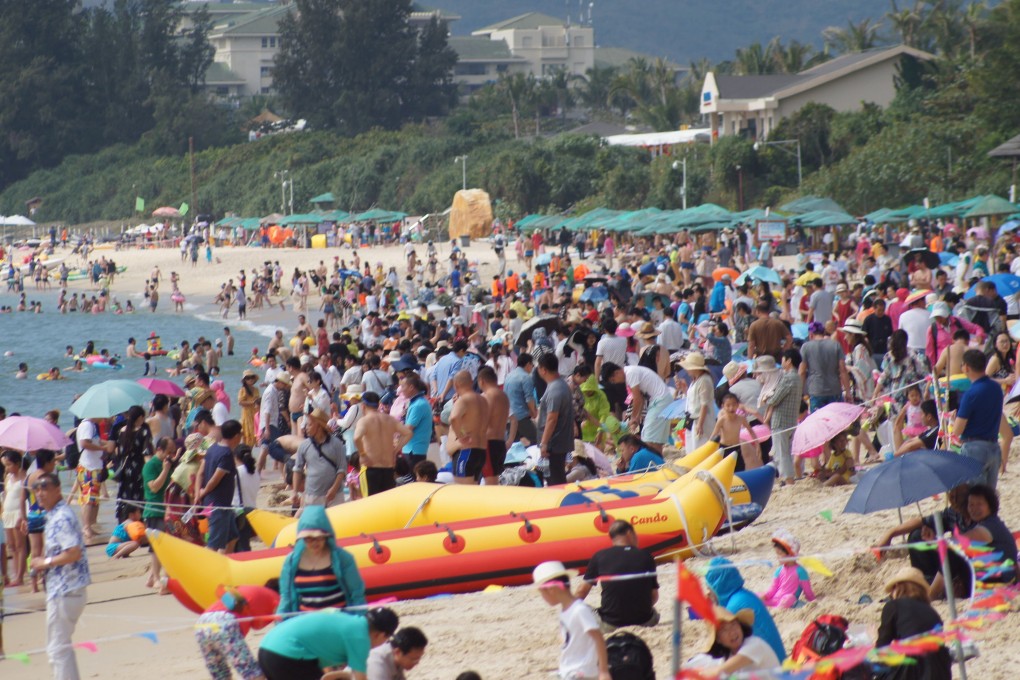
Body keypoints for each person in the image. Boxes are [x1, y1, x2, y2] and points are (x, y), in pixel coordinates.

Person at [29, 472, 91, 680]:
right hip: (68, 589)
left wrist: (45, 562)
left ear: (57, 489)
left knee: (57, 649)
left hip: (66, 590)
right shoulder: (55, 514)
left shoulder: (61, 517)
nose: (40, 492)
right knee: (61, 647)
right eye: (36, 488)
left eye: (44, 487)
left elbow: (73, 551)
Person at [258, 607, 399, 680]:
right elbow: (360, 677)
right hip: (287, 654)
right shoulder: (361, 636)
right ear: (380, 635)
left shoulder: (349, 621)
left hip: (267, 647)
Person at [277, 504, 366, 613]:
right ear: (301, 538)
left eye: (319, 537)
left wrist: (359, 619)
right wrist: (281, 621)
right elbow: (286, 597)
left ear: (326, 536)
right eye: (309, 538)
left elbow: (356, 593)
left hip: (339, 621)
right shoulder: (291, 562)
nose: (314, 542)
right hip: (306, 623)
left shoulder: (343, 558)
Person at [532, 561, 612, 680]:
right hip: (569, 670)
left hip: (581, 672)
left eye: (542, 593)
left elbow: (598, 638)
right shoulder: (565, 610)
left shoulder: (579, 610)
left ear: (551, 589)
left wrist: (603, 671)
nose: (543, 598)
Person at [575, 520, 659, 631]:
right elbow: (654, 596)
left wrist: (569, 612)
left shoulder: (599, 556)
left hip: (610, 623)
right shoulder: (646, 556)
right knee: (654, 613)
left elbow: (581, 590)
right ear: (629, 533)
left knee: (581, 609)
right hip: (646, 620)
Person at [704, 556, 786, 661]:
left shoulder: (734, 606)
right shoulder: (743, 595)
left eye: (710, 588)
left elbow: (727, 645)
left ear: (718, 587)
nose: (708, 593)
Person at [876, 568, 951, 680]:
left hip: (913, 668)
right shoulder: (931, 611)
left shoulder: (894, 606)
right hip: (941, 668)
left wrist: (874, 637)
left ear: (897, 586)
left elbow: (882, 648)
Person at [195, 585, 279, 680]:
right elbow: (275, 625)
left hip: (202, 622)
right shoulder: (276, 597)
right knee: (252, 673)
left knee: (220, 673)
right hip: (224, 622)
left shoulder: (244, 588)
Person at [953, 349, 1004, 489]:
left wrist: (952, 421)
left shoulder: (970, 393)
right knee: (989, 500)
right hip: (993, 446)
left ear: (967, 367)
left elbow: (957, 430)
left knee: (975, 496)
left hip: (974, 448)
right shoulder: (996, 388)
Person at [687, 606, 780, 674]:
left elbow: (719, 672)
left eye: (734, 625)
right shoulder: (730, 655)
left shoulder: (754, 644)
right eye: (724, 630)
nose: (732, 632)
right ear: (718, 639)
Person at [197, 420, 243, 554]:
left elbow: (200, 473)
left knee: (233, 538)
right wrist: (203, 492)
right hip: (218, 505)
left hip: (220, 504)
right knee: (213, 544)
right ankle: (207, 571)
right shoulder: (227, 454)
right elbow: (215, 479)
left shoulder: (212, 448)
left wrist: (198, 493)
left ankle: (224, 566)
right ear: (235, 436)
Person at [353, 392, 412, 496]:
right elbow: (408, 433)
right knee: (386, 504)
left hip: (370, 467)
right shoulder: (390, 419)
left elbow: (357, 437)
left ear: (363, 406)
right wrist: (395, 451)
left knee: (370, 504)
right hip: (388, 468)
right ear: (378, 404)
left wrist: (362, 454)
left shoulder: (364, 421)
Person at [294, 408, 347, 513]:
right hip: (312, 495)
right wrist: (294, 492)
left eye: (309, 425)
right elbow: (297, 469)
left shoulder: (336, 444)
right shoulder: (304, 445)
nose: (305, 428)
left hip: (335, 495)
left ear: (318, 425)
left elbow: (342, 469)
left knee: (336, 526)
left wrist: (334, 489)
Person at [537, 353, 576, 485]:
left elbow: (552, 419)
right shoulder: (561, 385)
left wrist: (544, 443)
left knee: (555, 479)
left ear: (543, 370)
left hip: (554, 443)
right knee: (556, 477)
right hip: (560, 442)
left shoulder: (555, 389)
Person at [75, 415, 115, 541]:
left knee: (93, 499)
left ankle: (90, 526)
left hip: (93, 466)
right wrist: (102, 448)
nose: (103, 418)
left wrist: (107, 443)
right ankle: (86, 527)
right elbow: (84, 443)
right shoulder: (87, 425)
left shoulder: (92, 426)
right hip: (89, 467)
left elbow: (95, 441)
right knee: (89, 498)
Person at [449, 370, 490, 484]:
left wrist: (461, 436)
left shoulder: (463, 400)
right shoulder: (483, 400)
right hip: (481, 450)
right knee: (473, 492)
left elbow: (453, 418)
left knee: (463, 494)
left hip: (466, 451)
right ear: (472, 382)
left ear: (455, 385)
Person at [799, 321, 851, 411]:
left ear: (811, 334)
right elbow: (843, 370)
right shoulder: (835, 345)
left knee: (818, 422)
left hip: (816, 391)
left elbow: (802, 372)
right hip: (835, 389)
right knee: (835, 420)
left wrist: (800, 393)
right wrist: (848, 392)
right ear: (823, 333)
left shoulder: (806, 347)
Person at [760, 529, 815, 609]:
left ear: (790, 555)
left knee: (789, 598)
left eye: (780, 554)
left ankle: (779, 609)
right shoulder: (778, 570)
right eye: (777, 554)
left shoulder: (800, 571)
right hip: (775, 601)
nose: (777, 557)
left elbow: (808, 592)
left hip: (788, 601)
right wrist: (763, 597)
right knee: (757, 596)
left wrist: (813, 601)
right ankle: (775, 607)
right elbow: (772, 590)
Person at [710, 392, 760, 471]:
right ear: (723, 406)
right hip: (724, 448)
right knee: (726, 470)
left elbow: (751, 431)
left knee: (740, 468)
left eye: (734, 405)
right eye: (728, 405)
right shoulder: (722, 420)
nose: (731, 408)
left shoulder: (741, 418)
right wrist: (710, 450)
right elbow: (713, 435)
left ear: (737, 405)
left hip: (737, 447)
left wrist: (757, 445)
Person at [478, 366, 510, 485]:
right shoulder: (504, 396)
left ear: (482, 381)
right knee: (495, 479)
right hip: (500, 441)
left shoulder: (486, 396)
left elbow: (483, 421)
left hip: (488, 443)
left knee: (490, 482)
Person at [681, 352, 717, 452]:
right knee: (691, 448)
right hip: (692, 418)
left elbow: (704, 404)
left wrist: (700, 424)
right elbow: (693, 399)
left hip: (701, 420)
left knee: (700, 448)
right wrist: (684, 389)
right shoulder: (695, 380)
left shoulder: (704, 380)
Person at [399, 373, 432, 470]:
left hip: (414, 451)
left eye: (403, 386)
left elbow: (408, 429)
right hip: (412, 449)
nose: (401, 389)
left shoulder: (418, 404)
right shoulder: (416, 402)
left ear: (411, 387)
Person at [505, 352, 539, 444]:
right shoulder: (525, 377)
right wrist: (533, 412)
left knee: (513, 445)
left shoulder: (509, 376)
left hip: (509, 416)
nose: (532, 367)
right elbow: (529, 399)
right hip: (520, 416)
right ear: (528, 364)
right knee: (537, 439)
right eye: (532, 365)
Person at [238, 370, 261, 448]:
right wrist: (252, 402)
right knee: (248, 438)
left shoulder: (256, 389)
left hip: (255, 414)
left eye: (252, 377)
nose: (250, 379)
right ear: (245, 380)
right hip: (247, 415)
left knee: (257, 436)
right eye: (248, 378)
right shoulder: (243, 390)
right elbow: (240, 402)